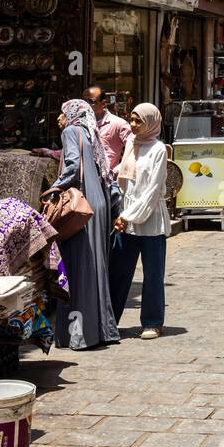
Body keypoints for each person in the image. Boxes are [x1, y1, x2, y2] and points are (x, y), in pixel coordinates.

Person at [47, 99, 120, 351]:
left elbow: (73, 165)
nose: (59, 118)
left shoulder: (70, 131)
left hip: (80, 206)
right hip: (96, 203)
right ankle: (100, 330)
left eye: (62, 113)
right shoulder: (89, 132)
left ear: (73, 115)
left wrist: (54, 188)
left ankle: (77, 335)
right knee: (95, 268)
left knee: (77, 270)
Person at [108, 103, 170, 340]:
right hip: (127, 220)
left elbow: (152, 191)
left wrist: (127, 216)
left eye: (138, 121)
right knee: (119, 272)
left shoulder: (159, 150)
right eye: (131, 120)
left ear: (151, 122)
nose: (133, 125)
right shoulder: (131, 145)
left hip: (150, 220)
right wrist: (122, 214)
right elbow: (125, 184)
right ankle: (110, 320)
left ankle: (152, 322)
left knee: (153, 274)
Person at [84, 86, 131, 176]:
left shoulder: (118, 124)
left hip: (107, 181)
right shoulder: (81, 124)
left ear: (103, 104)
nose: (86, 105)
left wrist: (116, 171)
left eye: (91, 102)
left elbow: (134, 150)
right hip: (85, 178)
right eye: (84, 101)